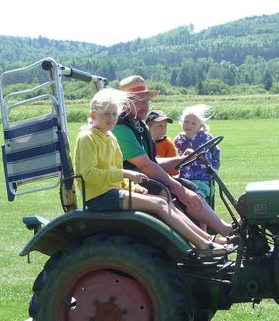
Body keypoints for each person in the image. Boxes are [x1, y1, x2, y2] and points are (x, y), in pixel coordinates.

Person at [74, 88, 230, 257]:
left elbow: (114, 173)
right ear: (93, 115)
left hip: (113, 191)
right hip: (98, 196)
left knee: (164, 199)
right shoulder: (88, 137)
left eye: (114, 114)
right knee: (160, 204)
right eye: (105, 114)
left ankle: (207, 238)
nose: (111, 118)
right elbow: (89, 174)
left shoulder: (110, 137)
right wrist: (126, 174)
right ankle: (202, 245)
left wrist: (134, 187)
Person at [112, 76, 234, 237]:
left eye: (146, 101)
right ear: (124, 103)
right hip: (127, 184)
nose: (144, 106)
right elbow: (146, 166)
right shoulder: (121, 128)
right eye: (139, 101)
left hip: (142, 179)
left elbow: (153, 162)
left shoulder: (139, 125)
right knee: (171, 189)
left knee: (189, 187)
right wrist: (180, 190)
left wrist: (182, 159)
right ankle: (204, 239)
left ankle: (225, 230)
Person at [174, 104, 219, 207]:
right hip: (185, 177)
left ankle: (202, 214)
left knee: (201, 193)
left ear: (200, 126)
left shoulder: (206, 138)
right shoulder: (179, 140)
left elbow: (216, 152)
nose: (188, 125)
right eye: (186, 122)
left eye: (193, 123)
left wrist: (214, 170)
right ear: (182, 122)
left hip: (203, 176)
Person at [146, 110, 178, 176]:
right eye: (159, 126)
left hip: (164, 176)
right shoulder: (144, 141)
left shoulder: (167, 143)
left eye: (165, 126)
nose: (163, 129)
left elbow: (173, 168)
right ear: (148, 126)